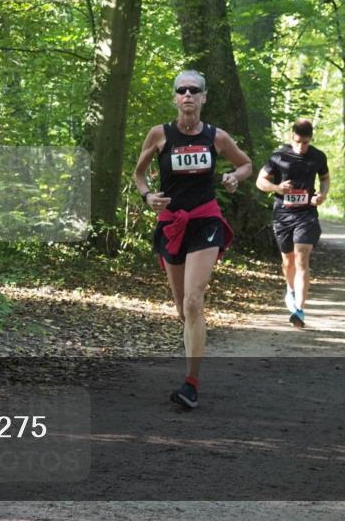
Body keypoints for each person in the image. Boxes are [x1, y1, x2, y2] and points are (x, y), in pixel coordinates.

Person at [132, 70, 252, 409]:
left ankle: (191, 383)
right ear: (174, 98)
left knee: (194, 301)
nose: (187, 95)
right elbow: (139, 173)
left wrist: (233, 176)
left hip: (205, 220)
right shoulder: (159, 134)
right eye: (181, 90)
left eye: (194, 90)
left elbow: (245, 164)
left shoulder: (216, 137)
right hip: (172, 224)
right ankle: (193, 356)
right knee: (182, 308)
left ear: (203, 97)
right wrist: (147, 196)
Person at [255, 118, 329, 329]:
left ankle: (299, 309)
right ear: (292, 137)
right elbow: (260, 181)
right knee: (288, 261)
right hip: (283, 215)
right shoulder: (278, 156)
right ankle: (291, 289)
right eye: (297, 142)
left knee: (302, 257)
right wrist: (278, 188)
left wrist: (322, 195)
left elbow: (325, 178)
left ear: (310, 139)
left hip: (307, 214)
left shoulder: (317, 156)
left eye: (305, 143)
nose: (301, 147)